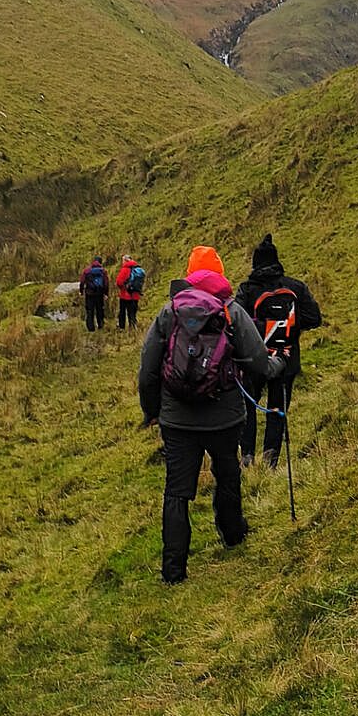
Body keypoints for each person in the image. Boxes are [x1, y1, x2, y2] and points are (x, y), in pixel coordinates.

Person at [138, 244, 284, 583]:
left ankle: (173, 570)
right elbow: (259, 362)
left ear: (189, 274)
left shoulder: (169, 311)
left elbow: (148, 371)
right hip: (225, 416)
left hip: (177, 420)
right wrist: (278, 365)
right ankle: (232, 534)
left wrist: (152, 412)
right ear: (219, 273)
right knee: (227, 473)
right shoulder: (232, 311)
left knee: (177, 490)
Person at [235, 234, 322, 470]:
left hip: (253, 359)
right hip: (287, 358)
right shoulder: (295, 287)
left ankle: (247, 456)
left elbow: (237, 323)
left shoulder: (247, 290)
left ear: (255, 263)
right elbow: (315, 318)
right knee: (277, 409)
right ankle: (270, 462)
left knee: (248, 406)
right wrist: (289, 327)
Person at [115, 254, 146, 330]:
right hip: (135, 295)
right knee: (132, 312)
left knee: (122, 311)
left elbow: (119, 282)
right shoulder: (138, 269)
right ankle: (132, 327)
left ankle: (122, 327)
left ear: (125, 261)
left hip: (125, 295)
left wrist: (122, 288)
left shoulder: (125, 269)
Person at [79, 256, 109, 331]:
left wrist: (81, 291)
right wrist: (106, 293)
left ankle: (91, 328)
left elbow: (82, 282)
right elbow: (106, 283)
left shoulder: (87, 270)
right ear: (100, 262)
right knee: (100, 310)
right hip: (99, 294)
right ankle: (100, 325)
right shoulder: (103, 271)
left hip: (89, 294)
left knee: (90, 310)